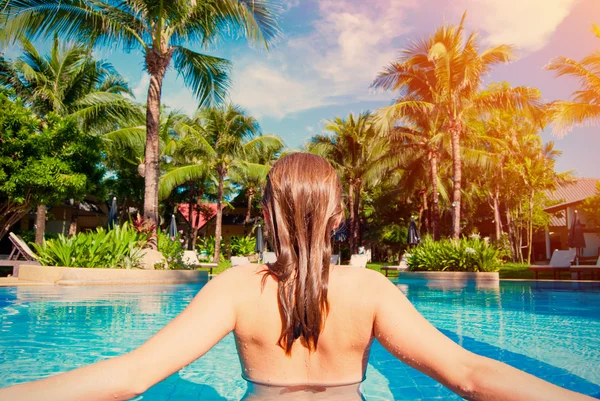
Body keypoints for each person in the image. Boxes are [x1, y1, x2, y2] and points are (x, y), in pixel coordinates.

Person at [0, 153, 595, 401]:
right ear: (338, 220)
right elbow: (469, 374)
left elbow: (129, 375)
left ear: (263, 214)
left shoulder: (234, 290)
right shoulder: (369, 291)